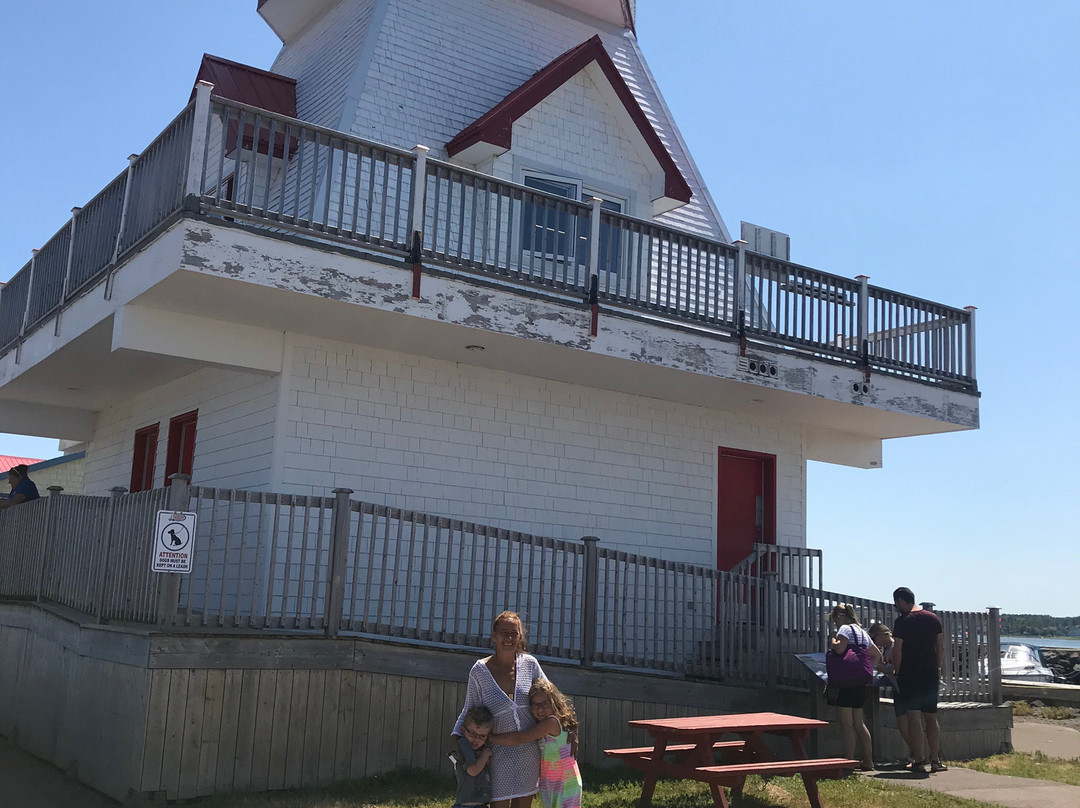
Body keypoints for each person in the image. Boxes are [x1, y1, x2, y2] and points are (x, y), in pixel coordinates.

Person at [450, 611, 546, 808]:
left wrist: (570, 726)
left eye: (514, 633)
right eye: (504, 633)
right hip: (496, 753)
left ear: (520, 636)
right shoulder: (479, 671)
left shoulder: (530, 665)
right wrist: (455, 738)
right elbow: (469, 708)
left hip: (529, 752)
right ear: (494, 636)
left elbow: (550, 698)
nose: (509, 638)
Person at [490, 679, 582, 808]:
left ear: (555, 702)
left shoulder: (551, 722)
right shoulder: (555, 720)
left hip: (564, 782)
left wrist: (490, 738)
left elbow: (520, 738)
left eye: (545, 704)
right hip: (554, 780)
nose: (540, 709)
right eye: (535, 704)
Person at [891, 586, 946, 773]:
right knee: (931, 717)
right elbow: (940, 646)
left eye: (896, 603)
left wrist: (897, 672)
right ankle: (936, 760)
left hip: (910, 672)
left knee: (914, 718)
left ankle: (920, 760)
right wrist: (937, 667)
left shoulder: (902, 622)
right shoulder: (933, 618)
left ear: (900, 600)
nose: (896, 606)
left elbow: (897, 650)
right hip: (930, 672)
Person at [826, 603, 881, 771]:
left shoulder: (844, 630)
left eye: (834, 619)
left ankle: (848, 761)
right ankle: (868, 760)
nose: (834, 622)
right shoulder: (862, 632)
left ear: (839, 617)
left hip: (845, 681)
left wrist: (833, 639)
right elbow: (876, 655)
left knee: (846, 723)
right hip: (860, 682)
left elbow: (840, 649)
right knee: (859, 722)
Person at [869, 623, 916, 763]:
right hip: (897, 688)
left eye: (874, 637)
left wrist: (884, 669)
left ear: (883, 634)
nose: (874, 641)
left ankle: (918, 753)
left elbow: (897, 668)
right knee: (902, 723)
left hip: (905, 687)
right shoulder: (886, 649)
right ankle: (915, 752)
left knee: (909, 722)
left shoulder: (895, 646)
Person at [450, 705, 494, 808]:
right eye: (473, 734)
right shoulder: (463, 745)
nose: (476, 740)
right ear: (463, 731)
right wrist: (485, 755)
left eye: (482, 736)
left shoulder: (480, 749)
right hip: (466, 805)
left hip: (481, 804)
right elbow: (472, 771)